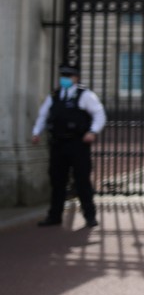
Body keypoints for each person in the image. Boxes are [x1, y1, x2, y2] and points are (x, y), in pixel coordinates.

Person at [31, 64, 107, 228]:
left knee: (82, 181)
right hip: (58, 143)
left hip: (77, 143)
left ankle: (90, 216)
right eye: (63, 76)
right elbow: (43, 115)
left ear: (76, 77)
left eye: (68, 76)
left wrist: (93, 131)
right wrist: (36, 132)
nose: (65, 79)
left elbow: (99, 114)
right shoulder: (55, 96)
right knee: (57, 180)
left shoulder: (85, 95)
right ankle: (54, 215)